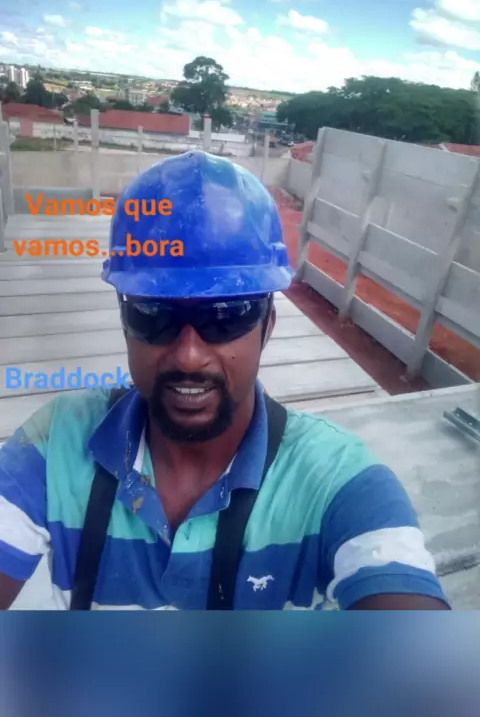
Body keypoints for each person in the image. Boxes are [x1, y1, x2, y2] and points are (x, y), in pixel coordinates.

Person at [0, 152, 449, 611]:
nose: (189, 355)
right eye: (152, 314)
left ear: (268, 326)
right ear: (124, 320)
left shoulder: (335, 483)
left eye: (225, 317)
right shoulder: (55, 445)